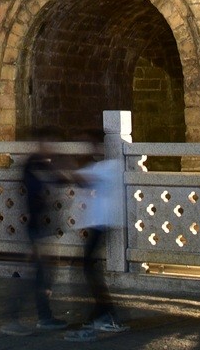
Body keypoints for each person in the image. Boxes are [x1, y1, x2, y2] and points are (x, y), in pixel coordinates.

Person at [0, 128, 68, 336]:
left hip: (43, 226)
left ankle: (43, 316)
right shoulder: (33, 164)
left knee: (42, 275)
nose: (52, 147)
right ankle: (16, 318)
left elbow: (60, 181)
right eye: (49, 142)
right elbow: (36, 194)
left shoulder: (42, 163)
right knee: (35, 276)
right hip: (36, 227)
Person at [67, 138, 128, 340]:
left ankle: (107, 314)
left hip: (102, 223)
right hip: (99, 223)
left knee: (89, 267)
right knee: (89, 267)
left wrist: (65, 164)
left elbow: (81, 178)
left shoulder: (109, 167)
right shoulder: (103, 167)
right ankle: (100, 313)